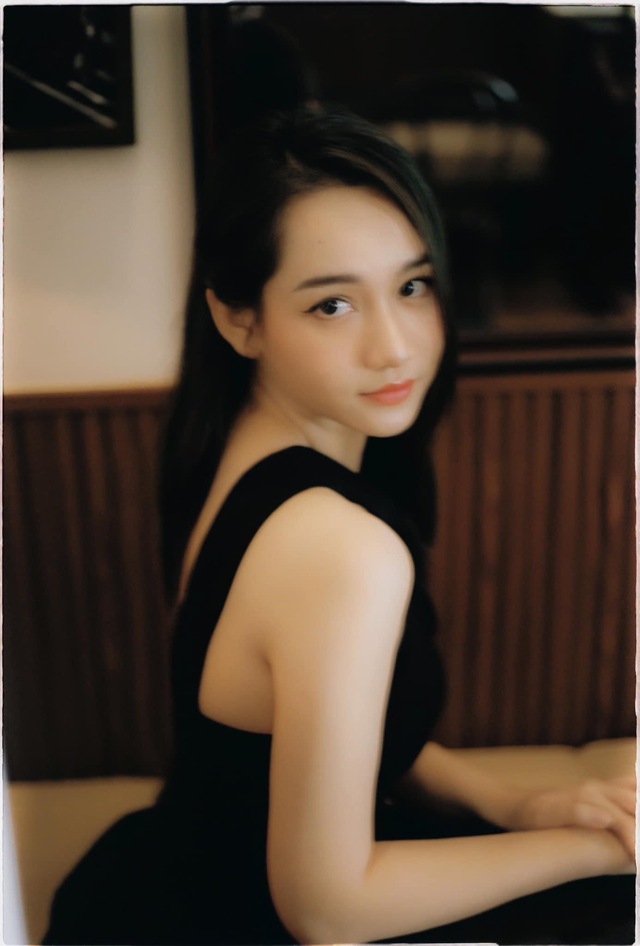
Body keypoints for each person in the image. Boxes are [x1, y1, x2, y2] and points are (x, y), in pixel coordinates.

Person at [44, 108, 635, 946]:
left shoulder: (235, 450)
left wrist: (515, 803)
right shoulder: (339, 547)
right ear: (239, 319)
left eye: (413, 287)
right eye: (332, 305)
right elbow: (327, 910)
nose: (393, 347)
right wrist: (599, 850)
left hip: (180, 870)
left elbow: (324, 736)